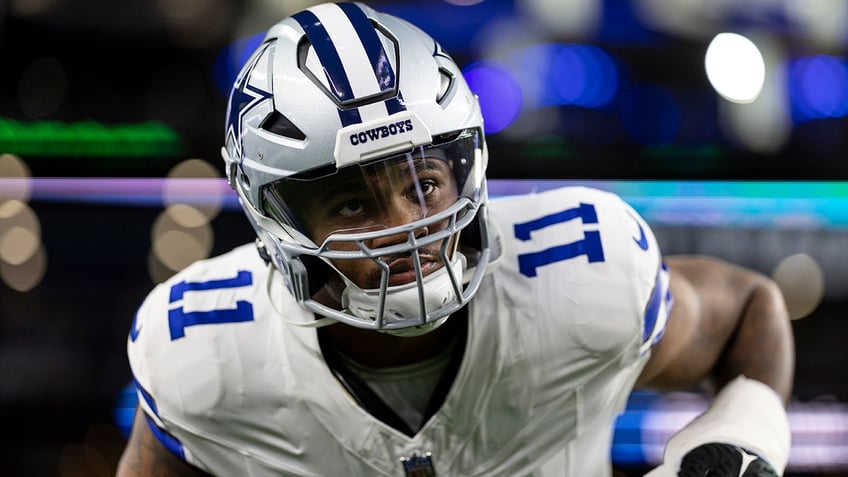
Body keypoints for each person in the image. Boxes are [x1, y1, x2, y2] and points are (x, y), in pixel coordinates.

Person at [117, 2, 795, 476]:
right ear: (279, 221)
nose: (405, 227)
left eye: (425, 182)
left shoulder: (585, 277)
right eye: (353, 202)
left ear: (466, 164)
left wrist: (741, 433)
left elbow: (748, 308)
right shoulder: (207, 354)